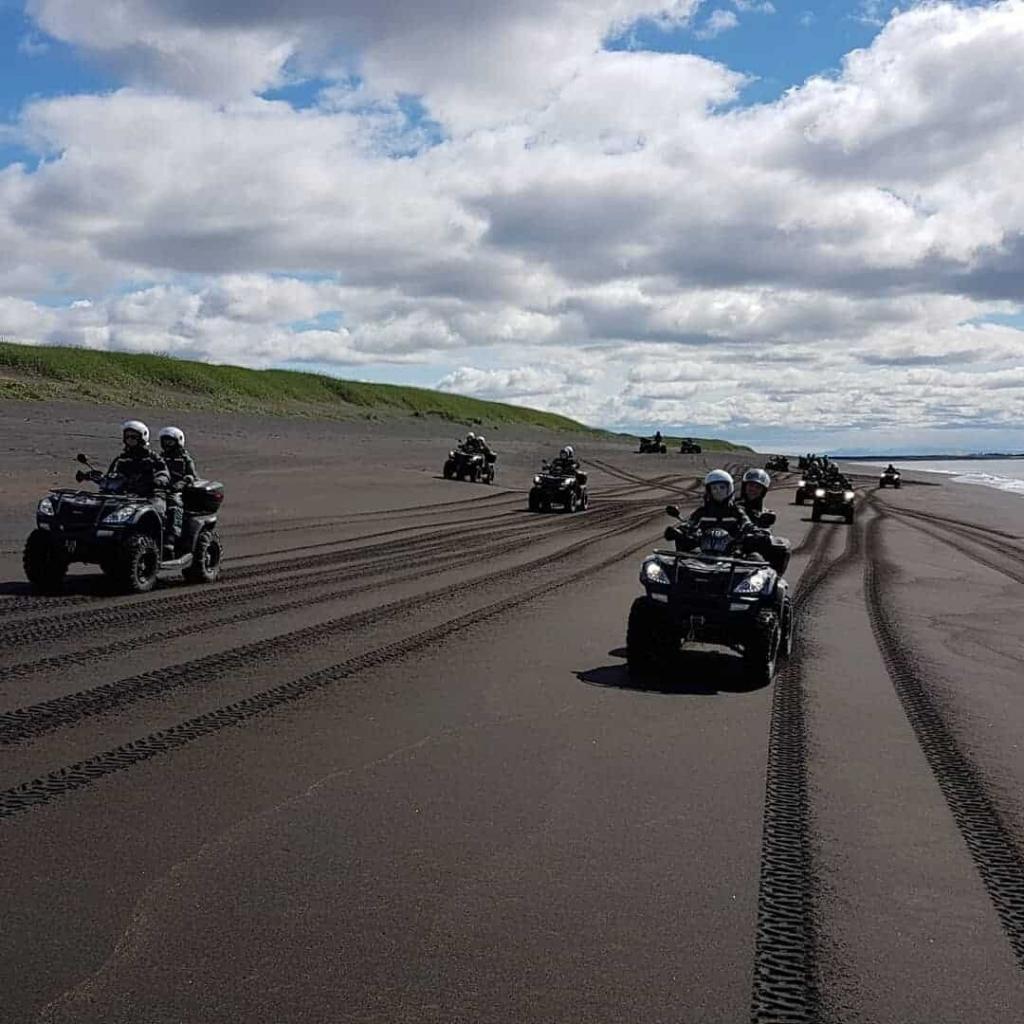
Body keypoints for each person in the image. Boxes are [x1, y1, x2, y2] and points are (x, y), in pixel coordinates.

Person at [106, 420, 172, 554]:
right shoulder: (122, 459)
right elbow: (111, 475)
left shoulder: (152, 458)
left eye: (133, 437)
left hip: (151, 494)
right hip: (127, 495)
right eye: (128, 437)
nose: (130, 440)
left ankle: (164, 542)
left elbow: (164, 473)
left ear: (142, 438)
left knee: (156, 512)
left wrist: (158, 480)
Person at [159, 426, 198, 553]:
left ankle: (171, 538)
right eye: (165, 441)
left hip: (177, 492)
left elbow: (192, 476)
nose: (167, 444)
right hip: (160, 489)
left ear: (178, 441)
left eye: (170, 441)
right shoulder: (160, 458)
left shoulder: (185, 459)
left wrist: (182, 482)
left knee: (174, 506)